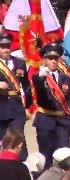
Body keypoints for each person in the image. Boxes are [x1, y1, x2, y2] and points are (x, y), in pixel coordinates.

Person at [32, 43, 70, 169]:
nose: (53, 62)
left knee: (65, 155)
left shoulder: (65, 77)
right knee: (46, 155)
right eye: (50, 59)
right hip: (45, 119)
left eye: (55, 59)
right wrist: (41, 77)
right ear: (45, 60)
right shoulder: (39, 76)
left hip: (62, 121)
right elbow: (38, 87)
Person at [0, 33, 32, 161]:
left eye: (7, 46)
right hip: (1, 107)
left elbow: (26, 85)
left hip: (16, 108)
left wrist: (28, 106)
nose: (6, 49)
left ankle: (23, 164)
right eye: (2, 47)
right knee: (3, 139)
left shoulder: (19, 63)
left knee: (18, 137)